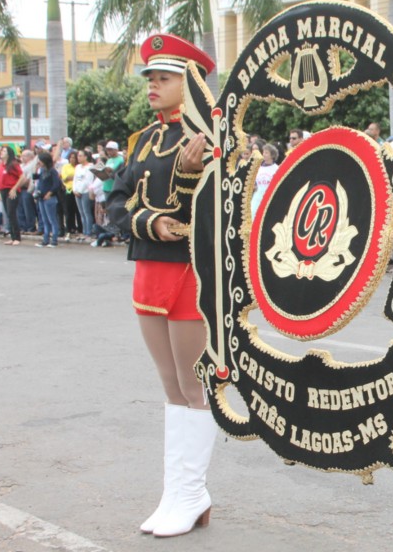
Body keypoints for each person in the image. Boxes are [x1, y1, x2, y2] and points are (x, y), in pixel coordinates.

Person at [106, 33, 219, 537]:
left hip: (192, 270)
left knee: (194, 386)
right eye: (150, 78)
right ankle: (179, 493)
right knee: (170, 386)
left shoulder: (215, 138)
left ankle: (192, 492)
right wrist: (148, 222)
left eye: (164, 78)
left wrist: (194, 175)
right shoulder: (143, 140)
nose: (153, 85)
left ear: (191, 82)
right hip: (149, 266)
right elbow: (115, 204)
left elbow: (225, 212)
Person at [34, 151, 62, 248]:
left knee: (52, 219)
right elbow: (35, 177)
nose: (39, 162)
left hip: (49, 197)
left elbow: (56, 184)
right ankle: (45, 239)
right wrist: (36, 168)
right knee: (44, 219)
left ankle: (54, 239)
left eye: (40, 161)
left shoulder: (52, 171)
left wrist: (50, 193)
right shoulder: (42, 170)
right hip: (41, 197)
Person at [0, 145, 23, 246]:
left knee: (12, 212)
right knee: (8, 213)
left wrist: (15, 188)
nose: (2, 152)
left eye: (4, 151)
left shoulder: (13, 164)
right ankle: (12, 236)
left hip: (11, 190)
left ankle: (17, 237)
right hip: (3, 190)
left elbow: (22, 176)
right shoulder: (2, 165)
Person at [250, 143, 279, 216]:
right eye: (263, 152)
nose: (264, 154)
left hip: (270, 198)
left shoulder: (277, 168)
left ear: (272, 155)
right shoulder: (258, 168)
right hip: (257, 197)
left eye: (266, 152)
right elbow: (253, 182)